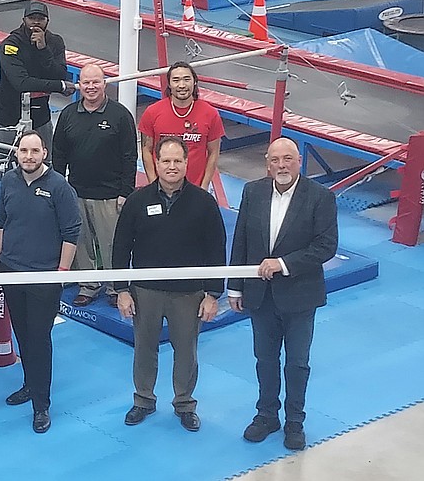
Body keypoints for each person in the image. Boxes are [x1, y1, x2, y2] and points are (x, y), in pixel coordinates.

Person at [228, 138, 338, 452]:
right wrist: (236, 285)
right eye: (275, 160)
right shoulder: (253, 191)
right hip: (260, 296)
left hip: (300, 297)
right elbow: (242, 241)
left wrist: (283, 264)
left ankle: (294, 422)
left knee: (298, 363)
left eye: (288, 159)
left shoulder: (320, 197)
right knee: (264, 359)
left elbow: (325, 247)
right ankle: (266, 415)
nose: (281, 166)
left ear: (299, 162)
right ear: (267, 163)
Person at [114, 137, 227, 433]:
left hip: (189, 294)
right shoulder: (138, 200)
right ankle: (143, 400)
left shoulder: (203, 203)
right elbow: (121, 245)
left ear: (187, 163)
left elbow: (217, 248)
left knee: (187, 351)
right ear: (156, 163)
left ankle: (185, 403)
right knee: (144, 348)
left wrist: (213, 293)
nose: (172, 166)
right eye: (166, 161)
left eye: (178, 161)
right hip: (146, 292)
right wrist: (122, 289)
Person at [0, 131, 80, 434]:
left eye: (34, 151)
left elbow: (72, 233)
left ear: (44, 153)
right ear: (17, 153)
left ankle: (41, 405)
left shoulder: (59, 187)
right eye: (24, 151)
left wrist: (61, 274)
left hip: (45, 276)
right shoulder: (8, 181)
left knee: (39, 338)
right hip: (12, 270)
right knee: (22, 333)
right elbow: (2, 222)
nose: (28, 156)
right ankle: (29, 384)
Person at [50, 64, 138, 308]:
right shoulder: (68, 115)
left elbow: (130, 156)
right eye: (86, 82)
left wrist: (125, 191)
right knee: (81, 243)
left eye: (95, 82)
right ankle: (88, 286)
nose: (90, 87)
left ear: (105, 83)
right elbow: (59, 154)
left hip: (110, 195)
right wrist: (60, 189)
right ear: (80, 85)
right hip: (76, 192)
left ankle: (114, 286)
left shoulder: (120, 115)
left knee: (112, 244)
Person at [0, 2, 74, 153]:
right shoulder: (10, 44)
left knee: (45, 161)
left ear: (47, 21)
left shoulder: (55, 42)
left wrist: (43, 50)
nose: (36, 22)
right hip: (9, 114)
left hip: (40, 113)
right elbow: (21, 83)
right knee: (2, 163)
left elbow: (60, 74)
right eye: (32, 18)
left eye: (40, 18)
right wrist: (59, 86)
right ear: (24, 20)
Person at [139, 62, 224, 190]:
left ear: (194, 82)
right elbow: (146, 150)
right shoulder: (152, 112)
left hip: (196, 190)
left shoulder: (210, 114)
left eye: (186, 79)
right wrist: (153, 184)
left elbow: (214, 152)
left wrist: (204, 186)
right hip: (161, 188)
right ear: (169, 84)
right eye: (176, 80)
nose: (182, 85)